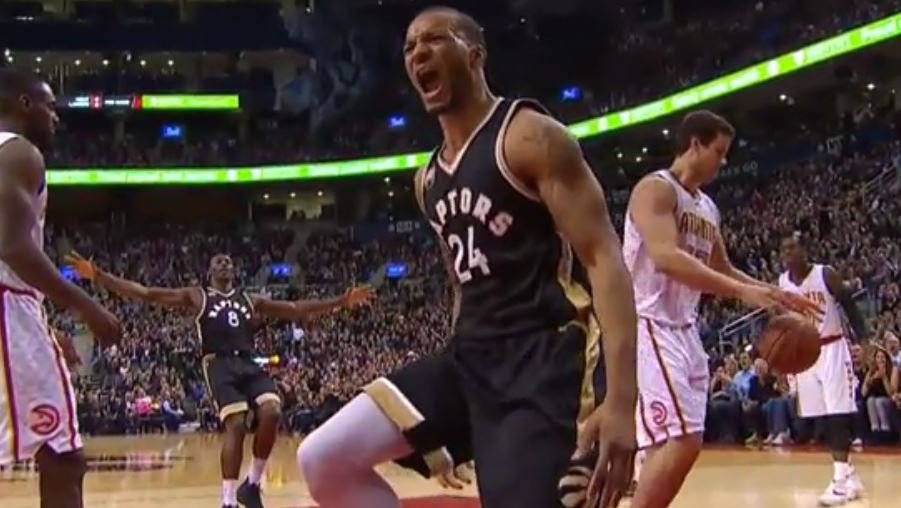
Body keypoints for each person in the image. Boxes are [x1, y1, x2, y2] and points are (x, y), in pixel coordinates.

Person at [297, 6, 638, 508]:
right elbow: (461, 283)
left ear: (475, 54)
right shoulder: (428, 179)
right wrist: (455, 419)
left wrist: (623, 401)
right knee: (323, 457)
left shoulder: (529, 136)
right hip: (470, 358)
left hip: (540, 358)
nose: (418, 52)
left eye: (434, 39)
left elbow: (604, 258)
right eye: (410, 46)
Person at [66, 252, 372, 508]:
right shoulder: (198, 295)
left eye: (229, 261)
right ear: (210, 271)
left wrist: (341, 301)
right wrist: (99, 276)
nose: (225, 263)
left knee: (272, 411)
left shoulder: (249, 298)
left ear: (234, 271)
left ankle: (252, 485)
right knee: (236, 424)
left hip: (248, 361)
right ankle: (227, 500)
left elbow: (294, 309)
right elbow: (146, 293)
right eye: (219, 261)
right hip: (218, 364)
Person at [625, 110, 820, 508]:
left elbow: (723, 268)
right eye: (719, 151)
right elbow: (665, 257)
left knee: (680, 443)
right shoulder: (655, 190)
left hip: (685, 329)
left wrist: (774, 293)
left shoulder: (707, 208)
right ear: (694, 145)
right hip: (649, 323)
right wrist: (741, 292)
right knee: (682, 440)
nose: (724, 160)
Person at [0, 68, 121, 508]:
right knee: (61, 456)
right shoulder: (18, 152)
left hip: (14, 309)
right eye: (50, 106)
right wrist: (89, 308)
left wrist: (45, 330)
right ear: (23, 104)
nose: (56, 117)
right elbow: (12, 247)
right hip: (7, 307)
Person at [778, 234, 868, 505]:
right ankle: (850, 475)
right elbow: (784, 325)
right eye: (784, 249)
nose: (788, 253)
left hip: (832, 348)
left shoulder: (825, 274)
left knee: (837, 416)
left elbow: (850, 305)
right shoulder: (783, 283)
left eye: (793, 247)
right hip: (805, 354)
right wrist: (783, 364)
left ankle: (839, 484)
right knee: (822, 418)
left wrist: (864, 342)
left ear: (805, 250)